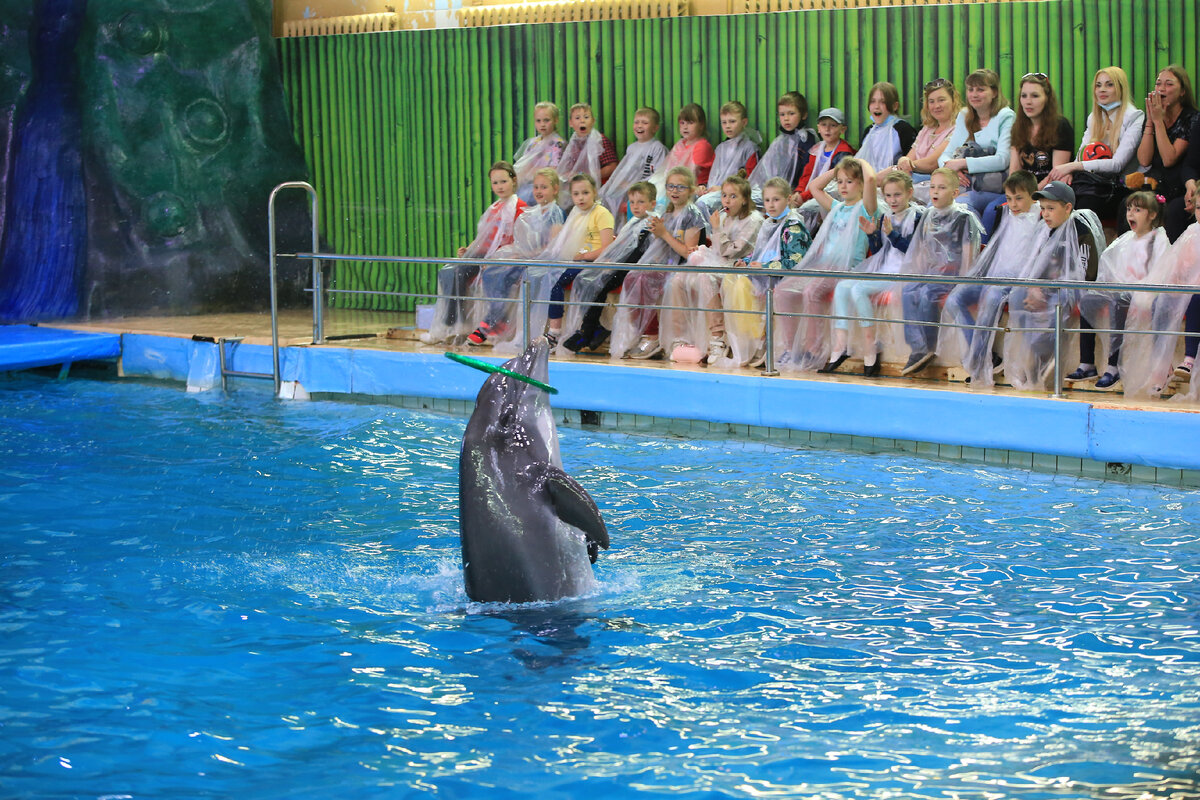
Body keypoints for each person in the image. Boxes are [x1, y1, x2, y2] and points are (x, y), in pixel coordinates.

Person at [774, 156, 878, 373]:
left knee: (812, 291)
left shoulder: (865, 208)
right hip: (824, 264)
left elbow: (871, 180)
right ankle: (793, 348)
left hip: (845, 267)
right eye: (840, 182)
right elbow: (814, 186)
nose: (843, 186)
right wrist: (838, 169)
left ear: (860, 183)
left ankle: (815, 349)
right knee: (783, 290)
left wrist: (858, 161)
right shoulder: (838, 207)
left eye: (849, 181)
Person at [941, 170, 1043, 387]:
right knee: (954, 299)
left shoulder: (1041, 219)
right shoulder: (1002, 213)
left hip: (1016, 281)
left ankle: (979, 361)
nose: (1013, 204)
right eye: (1009, 198)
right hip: (994, 275)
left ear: (1034, 196)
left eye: (1019, 198)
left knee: (992, 295)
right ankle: (979, 352)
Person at [1003, 180, 1105, 391]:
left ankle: (1045, 358)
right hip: (1050, 288)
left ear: (1068, 208)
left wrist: (1047, 291)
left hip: (1075, 289)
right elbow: (1037, 265)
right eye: (1042, 209)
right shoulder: (1045, 230)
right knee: (1018, 300)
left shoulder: (1080, 229)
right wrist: (1034, 288)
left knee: (1053, 307)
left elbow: (1087, 274)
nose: (1045, 214)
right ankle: (1034, 357)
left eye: (1051, 209)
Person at [823, 171, 923, 376]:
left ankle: (871, 345)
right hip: (885, 269)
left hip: (904, 273)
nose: (892, 200)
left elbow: (913, 251)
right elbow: (880, 253)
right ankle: (841, 344)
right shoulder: (886, 216)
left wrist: (892, 235)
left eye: (897, 195)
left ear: (909, 193)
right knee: (843, 286)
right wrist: (873, 236)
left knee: (859, 289)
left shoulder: (919, 216)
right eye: (888, 195)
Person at [1074, 192, 1171, 390]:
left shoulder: (1159, 239)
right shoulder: (1125, 239)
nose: (1130, 214)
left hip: (1144, 293)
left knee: (1118, 301)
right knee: (1087, 300)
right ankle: (1087, 362)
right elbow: (1110, 267)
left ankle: (1113, 366)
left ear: (1152, 215)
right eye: (1128, 209)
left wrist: (1137, 294)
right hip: (1122, 290)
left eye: (1137, 210)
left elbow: (1161, 273)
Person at [423, 161, 526, 344]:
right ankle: (454, 322)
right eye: (495, 183)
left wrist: (496, 258)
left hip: (503, 257)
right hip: (486, 255)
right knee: (450, 271)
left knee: (471, 272)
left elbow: (519, 243)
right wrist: (469, 249)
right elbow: (483, 237)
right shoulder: (494, 208)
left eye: (503, 181)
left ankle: (469, 322)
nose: (499, 187)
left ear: (514, 180)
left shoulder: (520, 207)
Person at [663, 175, 763, 364]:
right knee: (677, 280)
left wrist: (716, 229)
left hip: (740, 267)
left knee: (705, 277)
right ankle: (682, 337)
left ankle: (717, 337)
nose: (727, 200)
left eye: (733, 196)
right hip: (722, 263)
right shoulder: (724, 216)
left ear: (744, 200)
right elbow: (717, 250)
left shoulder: (754, 219)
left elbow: (731, 251)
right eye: (724, 195)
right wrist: (703, 249)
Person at [610, 166, 707, 360]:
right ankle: (642, 332)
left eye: (680, 187)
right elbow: (660, 247)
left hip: (685, 268)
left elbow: (689, 254)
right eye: (671, 186)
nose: (674, 191)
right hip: (666, 263)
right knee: (632, 277)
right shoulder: (668, 213)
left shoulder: (693, 215)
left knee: (648, 281)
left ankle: (653, 336)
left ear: (690, 189)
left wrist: (663, 233)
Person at [715, 177, 812, 368]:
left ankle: (762, 338)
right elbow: (762, 252)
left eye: (776, 200)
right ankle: (750, 338)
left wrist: (765, 267)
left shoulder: (793, 226)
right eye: (767, 200)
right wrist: (747, 261)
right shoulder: (770, 223)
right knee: (731, 280)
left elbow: (794, 262)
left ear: (789, 199)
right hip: (767, 275)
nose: (771, 205)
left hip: (786, 280)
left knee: (743, 286)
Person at [896, 168, 984, 376]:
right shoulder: (928, 214)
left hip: (952, 275)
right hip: (932, 273)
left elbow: (969, 255)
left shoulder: (964, 217)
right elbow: (922, 249)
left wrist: (962, 283)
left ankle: (928, 345)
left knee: (928, 295)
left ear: (954, 193)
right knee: (908, 291)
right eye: (933, 187)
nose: (935, 191)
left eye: (942, 188)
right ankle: (916, 348)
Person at [467, 168, 564, 348]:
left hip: (542, 263)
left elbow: (552, 247)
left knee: (504, 273)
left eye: (544, 187)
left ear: (555, 190)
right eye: (536, 187)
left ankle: (492, 322)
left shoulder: (555, 213)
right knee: (491, 270)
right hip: (528, 258)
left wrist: (526, 254)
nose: (539, 191)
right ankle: (498, 318)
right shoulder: (534, 212)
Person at [560, 181, 659, 354]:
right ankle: (590, 327)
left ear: (653, 203)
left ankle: (588, 330)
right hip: (620, 263)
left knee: (599, 282)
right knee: (585, 279)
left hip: (633, 266)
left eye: (641, 202)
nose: (635, 206)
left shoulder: (650, 223)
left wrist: (613, 264)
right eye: (632, 202)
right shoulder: (634, 221)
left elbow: (637, 253)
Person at [1047, 66, 1145, 225]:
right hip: (1095, 185)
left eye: (1109, 84)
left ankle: (1082, 247)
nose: (1102, 90)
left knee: (1084, 205)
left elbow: (1117, 164)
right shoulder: (1094, 117)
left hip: (1122, 187)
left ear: (1121, 88)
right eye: (1098, 85)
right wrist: (1070, 171)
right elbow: (1082, 153)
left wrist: (1072, 166)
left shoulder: (1134, 117)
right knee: (1056, 197)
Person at [1121, 200, 1200, 399]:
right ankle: (1162, 366)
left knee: (1194, 299)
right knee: (1159, 302)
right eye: (1198, 207)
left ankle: (1189, 358)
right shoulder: (1192, 232)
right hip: (1189, 286)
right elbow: (1178, 265)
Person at [539, 173, 614, 349]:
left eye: (585, 193)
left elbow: (607, 248)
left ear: (594, 192)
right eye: (576, 194)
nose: (581, 198)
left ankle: (554, 333)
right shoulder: (576, 213)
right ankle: (597, 328)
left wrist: (582, 257)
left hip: (592, 262)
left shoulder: (602, 214)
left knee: (555, 282)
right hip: (578, 260)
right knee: (545, 273)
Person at [940, 68, 1016, 225]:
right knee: (933, 206)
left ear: (994, 92)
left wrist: (962, 163)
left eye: (980, 90)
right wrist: (951, 171)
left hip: (992, 186)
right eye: (970, 89)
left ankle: (976, 247)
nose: (974, 94)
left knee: (961, 208)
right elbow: (945, 155)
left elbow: (1003, 160)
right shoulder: (964, 114)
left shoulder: (1006, 115)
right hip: (964, 184)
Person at [1138, 65, 1198, 240]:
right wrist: (1150, 121)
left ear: (1182, 92)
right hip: (1156, 183)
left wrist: (1158, 122)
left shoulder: (1191, 118)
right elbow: (1144, 159)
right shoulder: (1154, 117)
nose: (1161, 89)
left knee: (1173, 211)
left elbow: (1169, 158)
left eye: (1169, 84)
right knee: (1129, 205)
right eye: (1158, 84)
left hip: (1178, 185)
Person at [887, 77, 961, 194]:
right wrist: (904, 161)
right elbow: (909, 157)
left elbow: (932, 164)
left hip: (936, 186)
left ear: (953, 101)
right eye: (931, 101)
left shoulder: (958, 129)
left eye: (941, 100)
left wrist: (906, 164)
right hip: (913, 179)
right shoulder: (927, 129)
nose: (936, 106)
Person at [599, 107, 668, 230]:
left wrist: (632, 185)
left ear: (655, 127)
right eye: (636, 122)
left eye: (645, 123)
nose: (639, 126)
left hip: (642, 191)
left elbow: (657, 176)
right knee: (604, 196)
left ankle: (622, 232)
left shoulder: (657, 148)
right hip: (626, 188)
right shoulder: (632, 148)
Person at [747, 91, 816, 205]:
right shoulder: (780, 141)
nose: (786, 119)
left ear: (803, 115)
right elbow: (767, 170)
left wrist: (799, 191)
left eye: (791, 113)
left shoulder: (807, 140)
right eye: (782, 114)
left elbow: (808, 171)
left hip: (792, 192)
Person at [695, 101, 761, 212]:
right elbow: (713, 174)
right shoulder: (720, 148)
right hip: (714, 191)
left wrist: (722, 189)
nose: (728, 126)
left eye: (732, 121)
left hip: (733, 194)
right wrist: (703, 186)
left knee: (702, 204)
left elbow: (751, 181)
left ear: (744, 122)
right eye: (724, 122)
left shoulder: (750, 148)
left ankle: (710, 230)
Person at [648, 104, 716, 210]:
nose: (685, 127)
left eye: (690, 123)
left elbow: (691, 174)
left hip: (693, 189)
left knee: (658, 203)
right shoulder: (680, 144)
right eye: (682, 123)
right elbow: (666, 170)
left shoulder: (702, 146)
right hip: (676, 186)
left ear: (701, 125)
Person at [556, 103, 618, 205]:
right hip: (576, 186)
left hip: (597, 185)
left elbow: (612, 166)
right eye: (577, 118)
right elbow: (566, 167)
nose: (582, 120)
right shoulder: (572, 144)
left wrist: (591, 175)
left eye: (586, 117)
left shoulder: (600, 141)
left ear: (593, 121)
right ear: (571, 123)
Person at [793, 107, 855, 205]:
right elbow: (807, 175)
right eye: (823, 125)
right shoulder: (816, 149)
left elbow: (832, 183)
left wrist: (804, 197)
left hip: (831, 197)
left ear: (842, 129)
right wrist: (799, 191)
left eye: (833, 125)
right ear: (818, 128)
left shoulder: (843, 153)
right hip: (809, 194)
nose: (827, 129)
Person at [855, 82, 917, 172]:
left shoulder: (903, 129)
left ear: (895, 106)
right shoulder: (868, 131)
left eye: (882, 102)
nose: (876, 107)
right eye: (872, 101)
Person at [513, 101, 566, 204]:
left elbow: (555, 171)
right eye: (538, 121)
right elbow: (524, 167)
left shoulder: (558, 144)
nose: (542, 124)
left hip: (544, 188)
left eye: (546, 120)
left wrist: (532, 172)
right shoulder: (532, 143)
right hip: (527, 185)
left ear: (555, 120)